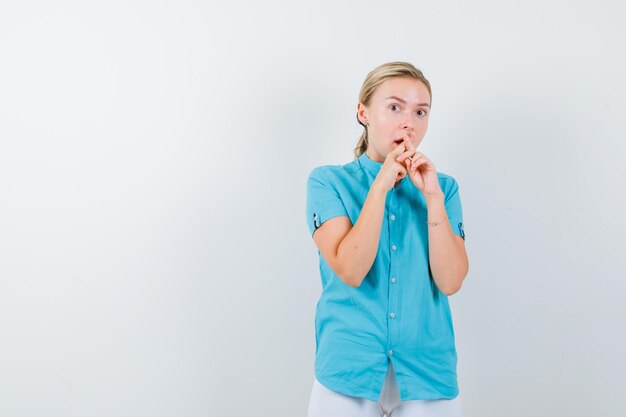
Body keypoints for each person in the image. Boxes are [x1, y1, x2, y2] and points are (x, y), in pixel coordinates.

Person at [305, 61, 469, 417]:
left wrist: (433, 200)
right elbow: (350, 269)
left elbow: (451, 280)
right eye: (394, 107)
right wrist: (380, 185)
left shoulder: (445, 189)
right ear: (363, 112)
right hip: (347, 371)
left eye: (420, 111)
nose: (408, 122)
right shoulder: (327, 183)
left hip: (428, 372)